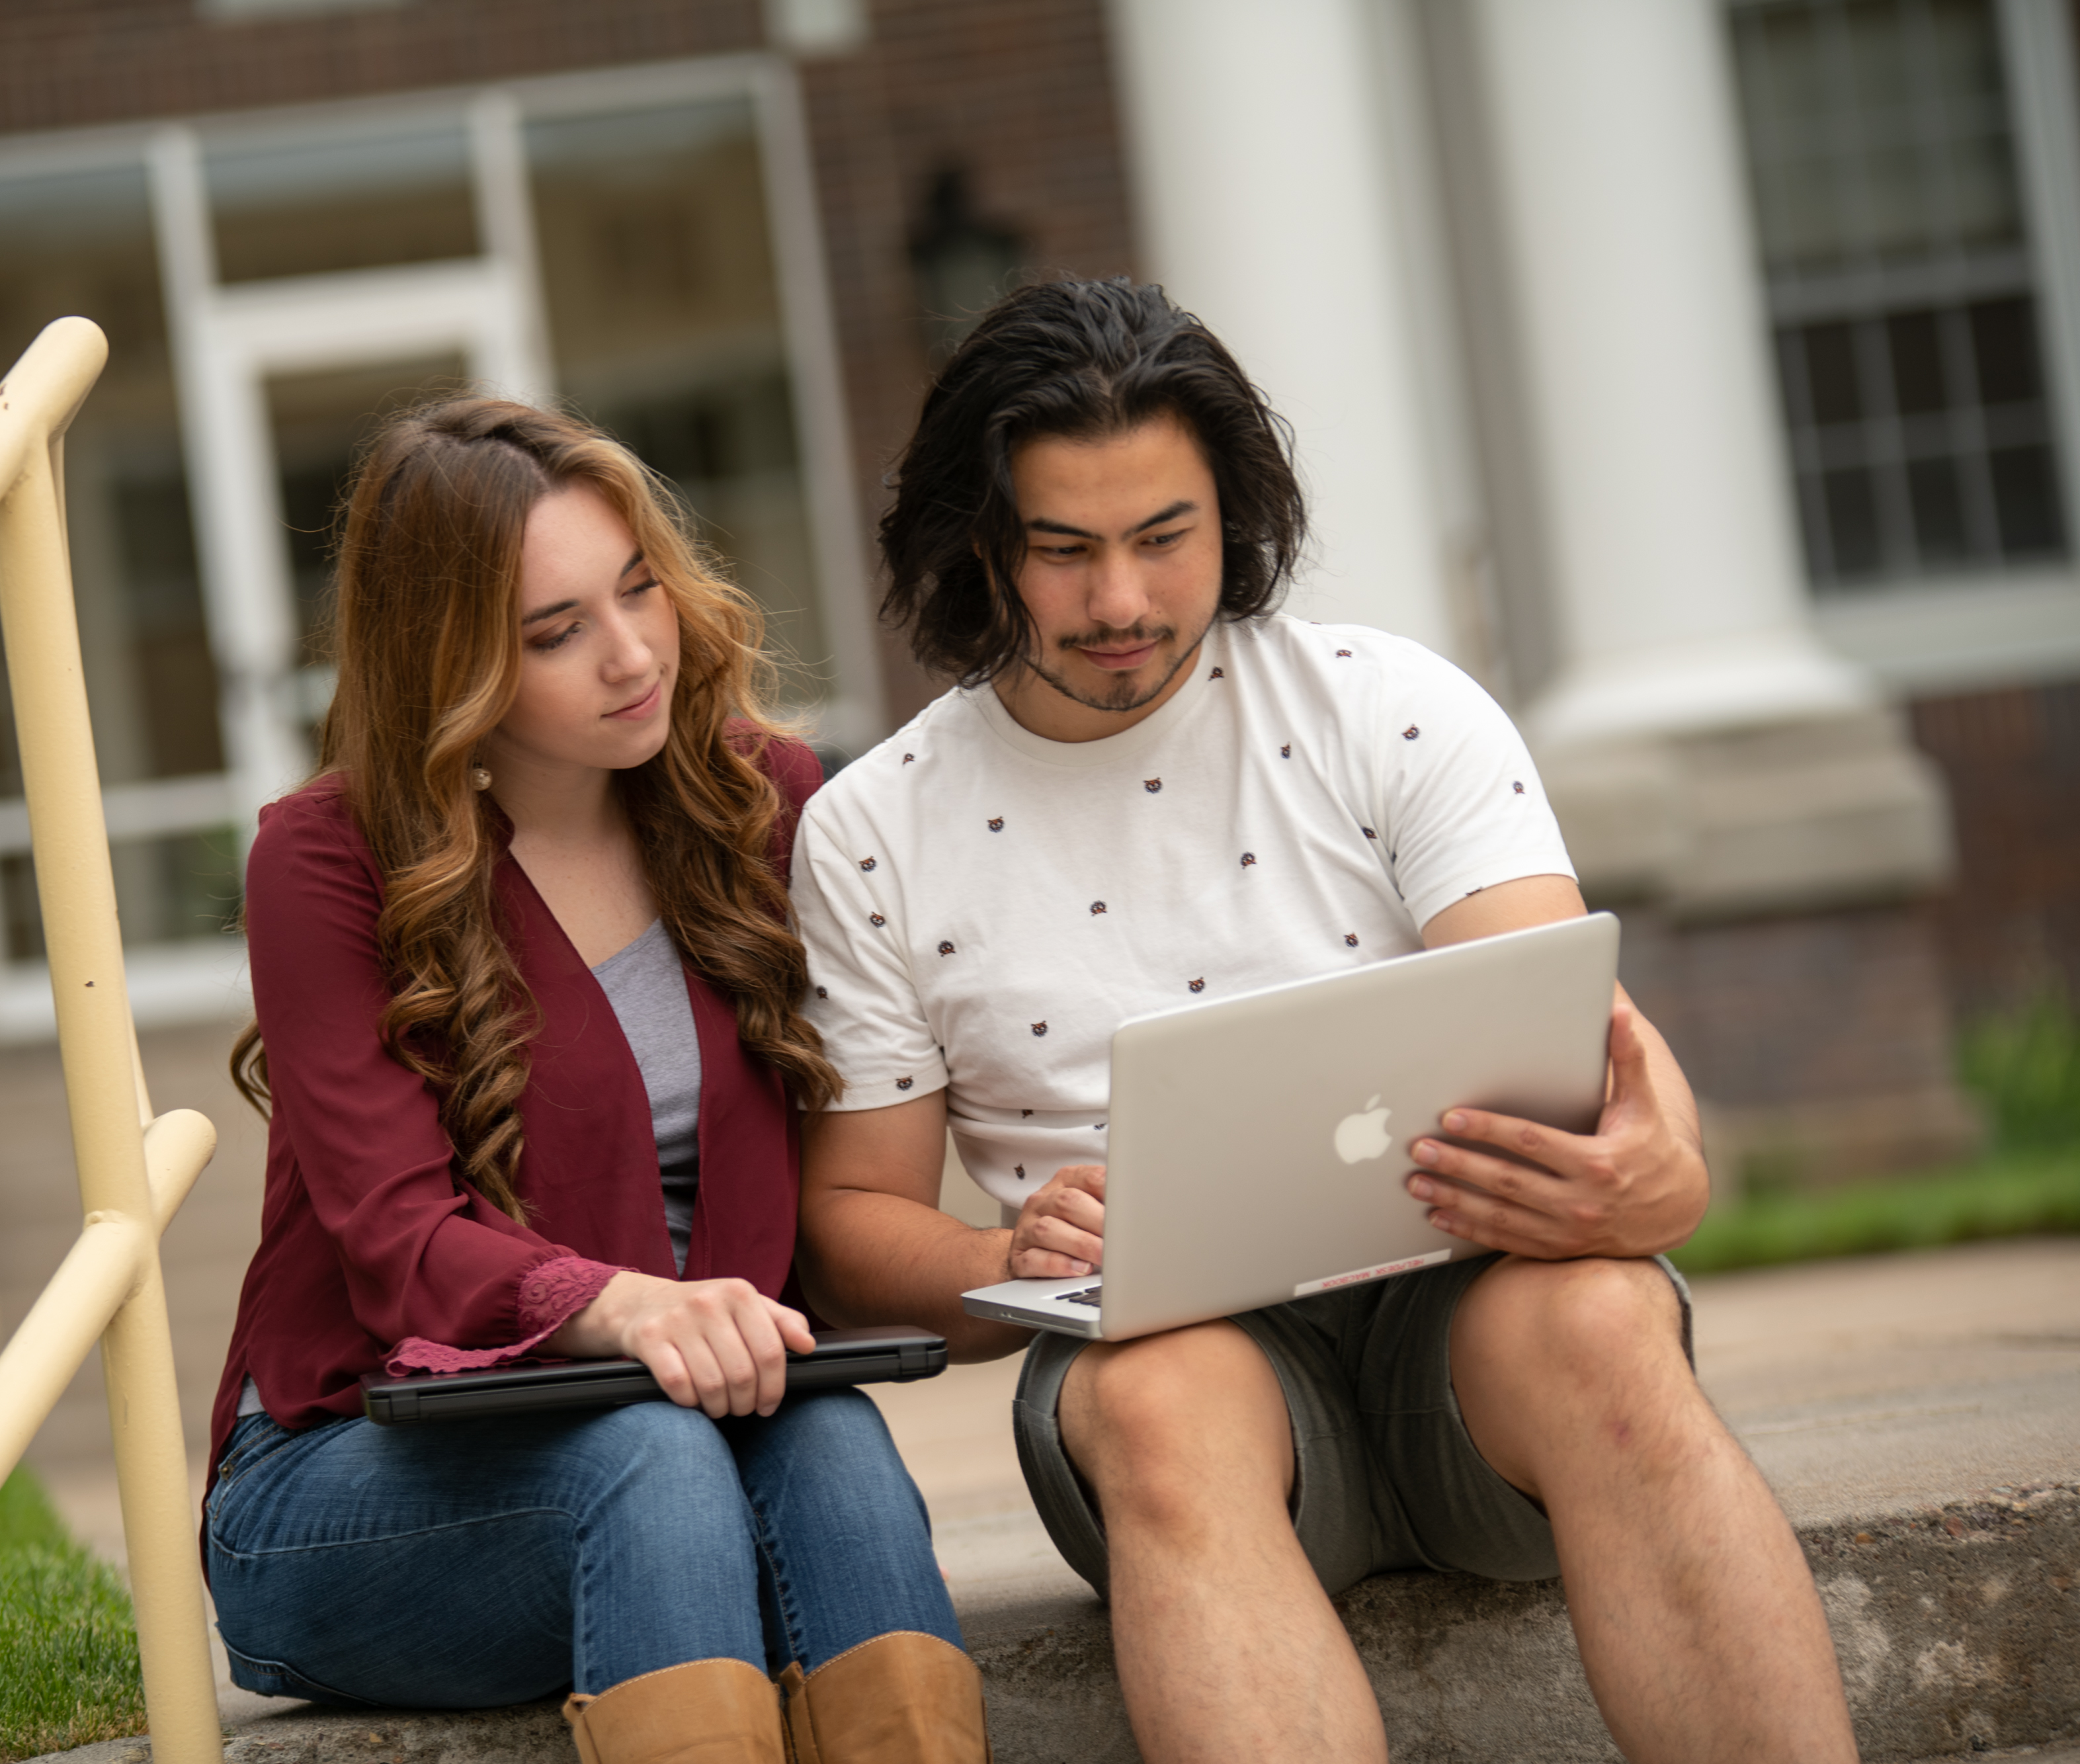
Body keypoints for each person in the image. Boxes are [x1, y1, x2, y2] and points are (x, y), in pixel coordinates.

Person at [789, 280, 1861, 1763]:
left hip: (1475, 1337)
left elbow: (1578, 1025)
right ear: (981, 549)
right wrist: (992, 1256)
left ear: (1232, 514)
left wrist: (1659, 1166)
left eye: (1163, 536)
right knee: (1161, 1397)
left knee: (1606, 1316)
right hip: (1165, 1371)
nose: (1120, 602)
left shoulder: (1390, 708)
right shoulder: (870, 831)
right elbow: (847, 1218)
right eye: (1064, 550)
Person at [202, 398, 987, 1764]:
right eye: (554, 631)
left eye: (638, 591)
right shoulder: (327, 861)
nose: (631, 655)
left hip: (698, 1430)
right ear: (447, 660)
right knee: (655, 1462)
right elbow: (395, 1240)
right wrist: (623, 1308)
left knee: (840, 1454)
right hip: (355, 1478)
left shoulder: (761, 804)